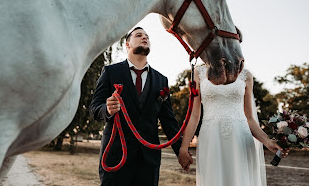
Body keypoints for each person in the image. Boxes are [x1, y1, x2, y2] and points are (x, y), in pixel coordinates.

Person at [89, 27, 183, 186]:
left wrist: (180, 151)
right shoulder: (111, 72)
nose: (144, 38)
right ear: (127, 44)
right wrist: (107, 109)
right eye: (139, 35)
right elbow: (94, 109)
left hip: (148, 161)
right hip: (116, 155)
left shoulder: (162, 80)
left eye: (147, 36)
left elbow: (169, 122)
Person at [178, 64, 288, 186]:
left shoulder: (246, 76)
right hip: (211, 139)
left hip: (240, 140)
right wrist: (183, 148)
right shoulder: (198, 73)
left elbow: (250, 118)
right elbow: (194, 116)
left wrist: (268, 142)